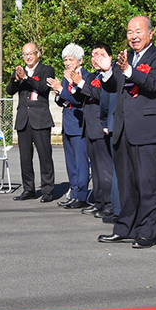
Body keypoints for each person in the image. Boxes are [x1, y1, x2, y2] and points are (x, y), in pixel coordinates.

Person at [90, 16, 156, 248]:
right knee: (126, 183)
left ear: (150, 33)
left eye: (138, 31)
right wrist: (108, 70)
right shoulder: (125, 58)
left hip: (147, 129)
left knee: (147, 183)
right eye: (129, 32)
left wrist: (127, 70)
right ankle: (125, 227)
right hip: (123, 128)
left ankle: (148, 230)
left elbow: (154, 84)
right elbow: (111, 87)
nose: (133, 36)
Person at [6, 42, 56, 203]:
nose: (28, 57)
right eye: (25, 54)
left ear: (38, 54)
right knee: (25, 157)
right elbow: (9, 91)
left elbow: (43, 87)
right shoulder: (19, 71)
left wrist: (26, 78)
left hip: (40, 118)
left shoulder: (46, 70)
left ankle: (48, 190)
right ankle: (28, 189)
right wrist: (16, 79)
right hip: (23, 119)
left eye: (31, 53)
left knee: (45, 155)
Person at [70, 42, 115, 219]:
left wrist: (80, 82)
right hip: (89, 126)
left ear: (109, 57)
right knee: (95, 168)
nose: (95, 58)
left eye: (100, 54)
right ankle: (99, 201)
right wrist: (73, 84)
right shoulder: (92, 76)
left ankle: (110, 203)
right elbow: (82, 96)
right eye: (93, 55)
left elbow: (100, 95)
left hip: (101, 126)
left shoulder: (110, 77)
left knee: (105, 168)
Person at [48, 44, 90, 209]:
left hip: (80, 124)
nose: (67, 63)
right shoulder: (66, 77)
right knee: (70, 163)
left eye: (70, 59)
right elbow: (64, 101)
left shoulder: (86, 76)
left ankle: (82, 196)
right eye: (65, 60)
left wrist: (62, 91)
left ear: (80, 60)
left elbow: (79, 100)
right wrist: (59, 92)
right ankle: (73, 193)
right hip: (68, 123)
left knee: (81, 163)